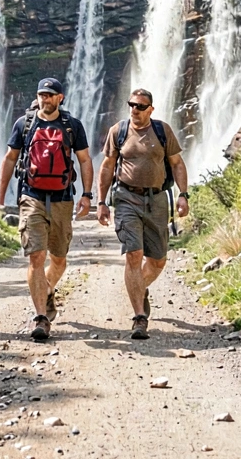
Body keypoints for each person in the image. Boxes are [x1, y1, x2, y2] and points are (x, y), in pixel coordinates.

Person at [0, 78, 94, 340]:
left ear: (60, 98)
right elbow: (9, 158)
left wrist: (87, 194)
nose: (45, 99)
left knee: (59, 258)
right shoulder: (24, 124)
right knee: (36, 257)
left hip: (63, 198)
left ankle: (48, 288)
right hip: (31, 197)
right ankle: (41, 317)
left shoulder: (72, 126)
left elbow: (84, 159)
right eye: (42, 94)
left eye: (50, 95)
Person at [95, 88, 189, 340]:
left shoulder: (162, 131)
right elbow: (107, 167)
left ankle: (139, 287)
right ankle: (139, 317)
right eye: (132, 105)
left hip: (158, 199)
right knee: (134, 254)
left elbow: (177, 163)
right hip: (126, 198)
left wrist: (183, 194)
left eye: (140, 106)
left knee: (158, 260)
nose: (135, 110)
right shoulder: (119, 131)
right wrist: (101, 201)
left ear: (151, 109)